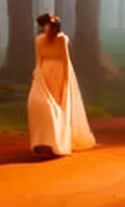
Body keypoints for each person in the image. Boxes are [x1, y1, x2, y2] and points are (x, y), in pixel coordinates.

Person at [27, 13, 95, 156]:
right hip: (44, 73)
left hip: (59, 74)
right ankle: (43, 140)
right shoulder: (39, 40)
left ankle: (56, 141)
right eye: (47, 27)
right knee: (40, 104)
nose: (49, 31)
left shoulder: (62, 40)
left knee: (58, 106)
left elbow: (65, 60)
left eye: (52, 28)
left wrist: (66, 81)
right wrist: (38, 76)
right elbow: (38, 60)